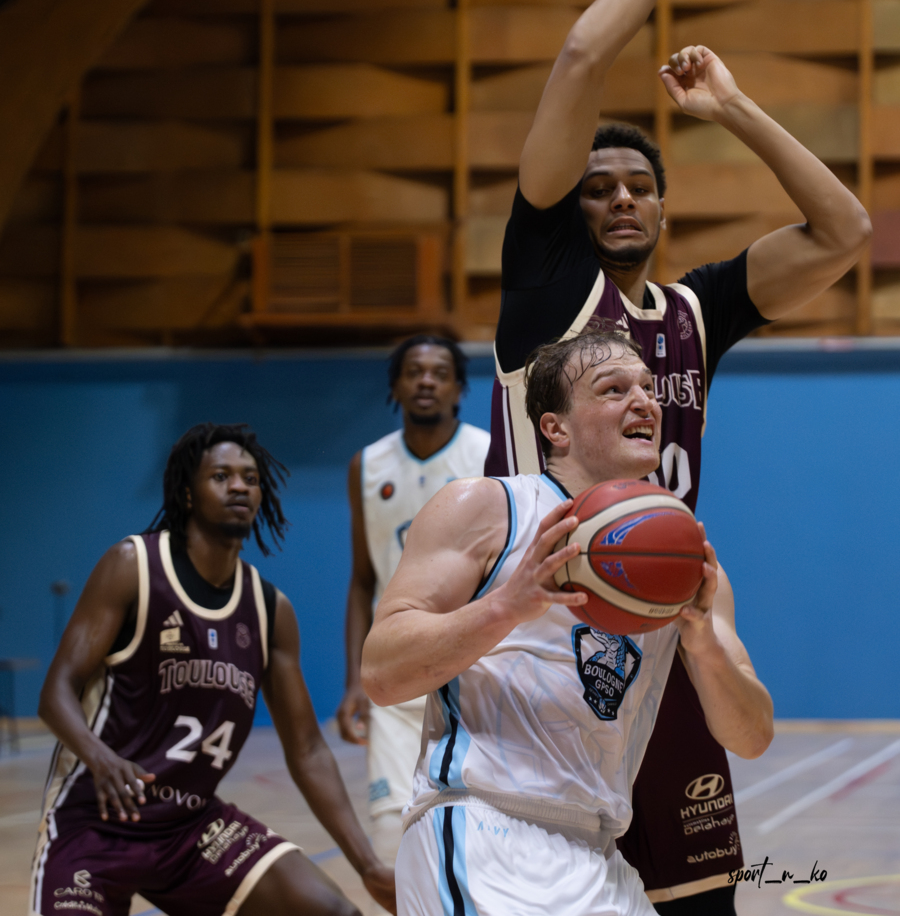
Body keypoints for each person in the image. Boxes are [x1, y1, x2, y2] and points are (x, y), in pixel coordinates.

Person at [484, 0, 871, 910]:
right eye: (598, 185)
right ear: (568, 208)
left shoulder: (696, 310)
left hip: (662, 626)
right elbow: (580, 57)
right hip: (545, 637)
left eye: (639, 186)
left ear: (662, 204)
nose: (620, 197)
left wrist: (733, 108)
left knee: (699, 902)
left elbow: (845, 234)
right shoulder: (547, 290)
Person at [361, 328, 773, 916]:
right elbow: (382, 673)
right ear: (556, 428)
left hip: (597, 849)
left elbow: (752, 736)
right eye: (613, 390)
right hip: (483, 829)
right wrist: (507, 604)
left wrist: (703, 645)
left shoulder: (683, 563)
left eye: (648, 388)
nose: (644, 402)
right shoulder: (488, 508)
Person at [32, 423, 395, 916]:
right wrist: (100, 758)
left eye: (250, 478)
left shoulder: (269, 610)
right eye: (221, 476)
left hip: (189, 830)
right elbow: (56, 690)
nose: (239, 486)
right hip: (96, 821)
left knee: (333, 912)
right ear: (188, 493)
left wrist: (367, 864)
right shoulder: (132, 566)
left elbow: (308, 750)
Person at [337, 336, 490, 864]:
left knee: (469, 842)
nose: (426, 380)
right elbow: (362, 580)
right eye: (414, 371)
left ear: (459, 388)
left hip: (469, 670)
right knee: (390, 842)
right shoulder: (367, 465)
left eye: (440, 372)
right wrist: (354, 681)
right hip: (396, 671)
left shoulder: (486, 456)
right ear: (396, 386)